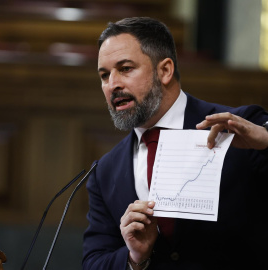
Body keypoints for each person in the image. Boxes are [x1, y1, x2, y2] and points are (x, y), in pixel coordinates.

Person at [82, 17, 268, 270]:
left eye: (125, 68)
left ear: (165, 70)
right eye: (104, 75)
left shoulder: (243, 128)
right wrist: (134, 258)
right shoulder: (105, 171)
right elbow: (94, 262)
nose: (112, 84)